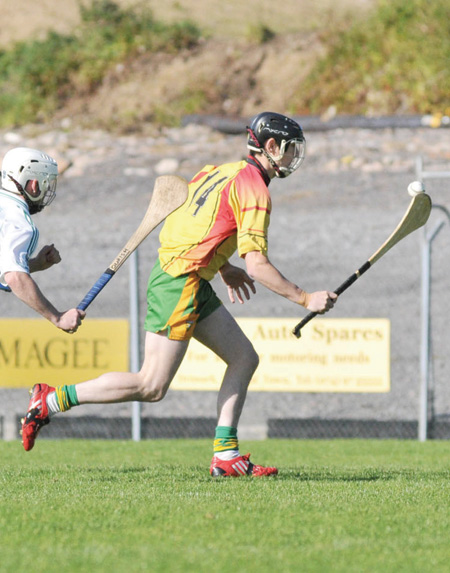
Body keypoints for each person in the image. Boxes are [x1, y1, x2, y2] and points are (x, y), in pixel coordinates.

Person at [21, 113, 337, 476]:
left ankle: (226, 456)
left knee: (244, 358)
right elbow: (258, 266)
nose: (293, 156)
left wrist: (222, 267)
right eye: (289, 148)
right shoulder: (255, 189)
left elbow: (194, 226)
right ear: (270, 147)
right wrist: (304, 298)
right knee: (151, 385)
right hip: (180, 282)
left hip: (188, 277)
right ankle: (49, 401)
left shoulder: (217, 171)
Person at [0, 147, 85, 332]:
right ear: (33, 184)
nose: (47, 190)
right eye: (46, 183)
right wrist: (57, 317)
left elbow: (6, 273)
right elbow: (14, 277)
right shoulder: (20, 224)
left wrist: (36, 264)